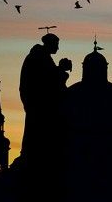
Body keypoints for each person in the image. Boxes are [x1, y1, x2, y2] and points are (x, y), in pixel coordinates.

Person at [16, 33, 71, 181]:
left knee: (36, 133)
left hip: (39, 103)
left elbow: (50, 78)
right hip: (39, 104)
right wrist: (61, 69)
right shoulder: (39, 57)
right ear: (50, 44)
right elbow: (46, 81)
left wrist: (60, 70)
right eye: (57, 44)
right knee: (37, 133)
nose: (58, 48)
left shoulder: (42, 57)